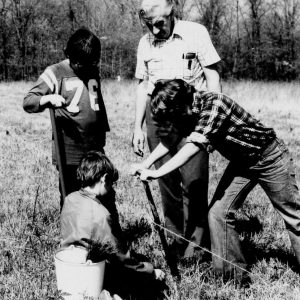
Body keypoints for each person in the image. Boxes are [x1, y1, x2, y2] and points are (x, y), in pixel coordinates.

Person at [131, 79, 300, 280]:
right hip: (242, 163)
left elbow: (193, 147)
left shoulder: (214, 104)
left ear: (182, 104)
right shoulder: (188, 110)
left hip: (270, 157)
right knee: (218, 213)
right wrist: (146, 165)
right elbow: (170, 141)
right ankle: (232, 276)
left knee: (293, 216)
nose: (173, 120)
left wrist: (158, 173)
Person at [132, 0, 221, 258]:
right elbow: (141, 85)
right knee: (165, 179)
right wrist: (137, 126)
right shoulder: (144, 43)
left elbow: (212, 76)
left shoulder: (196, 32)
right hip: (158, 115)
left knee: (193, 182)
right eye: (149, 25)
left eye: (159, 23)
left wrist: (212, 120)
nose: (155, 30)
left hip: (191, 113)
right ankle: (175, 240)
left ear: (171, 12)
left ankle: (196, 247)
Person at [23, 28, 109, 208]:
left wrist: (103, 131)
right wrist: (47, 98)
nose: (86, 68)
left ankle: (102, 230)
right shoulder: (55, 72)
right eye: (81, 64)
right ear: (70, 55)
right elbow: (29, 101)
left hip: (94, 146)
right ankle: (73, 233)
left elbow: (97, 103)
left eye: (92, 63)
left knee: (103, 193)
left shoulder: (92, 71)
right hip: (68, 149)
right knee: (71, 195)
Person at [61, 151, 165, 299]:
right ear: (104, 179)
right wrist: (150, 271)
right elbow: (120, 257)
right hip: (91, 273)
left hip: (67, 268)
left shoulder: (70, 198)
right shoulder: (100, 214)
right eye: (111, 183)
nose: (112, 188)